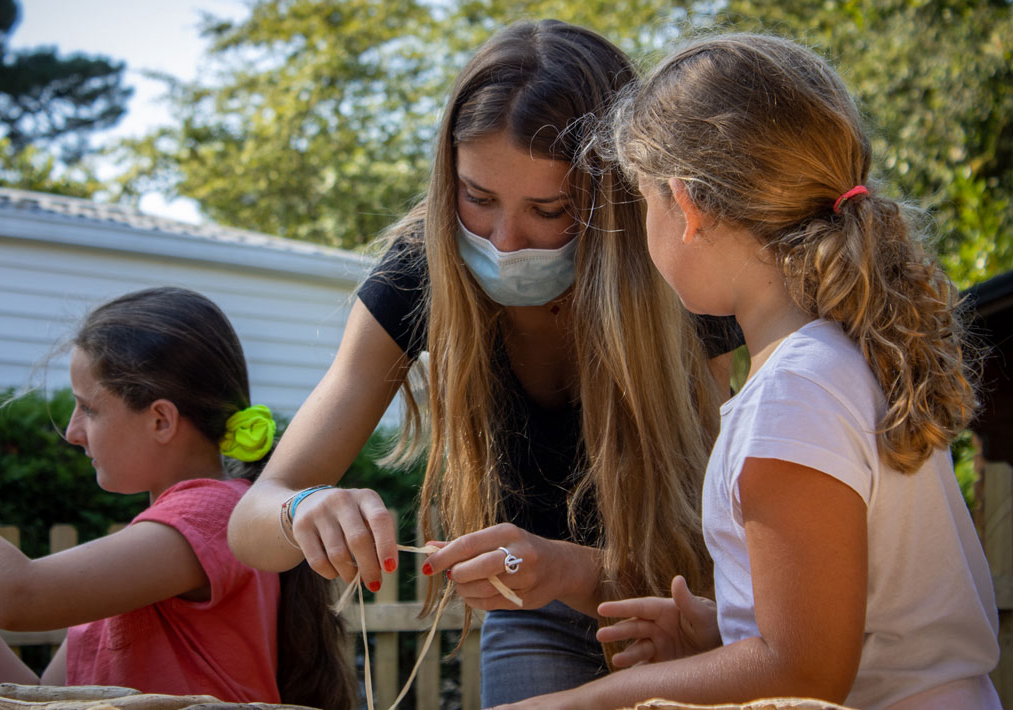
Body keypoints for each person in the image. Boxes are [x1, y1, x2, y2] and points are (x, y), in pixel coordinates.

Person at [227, 20, 740, 705]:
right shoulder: (419, 271)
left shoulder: (685, 272)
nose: (504, 241)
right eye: (478, 198)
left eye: (548, 209)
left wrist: (569, 567)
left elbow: (719, 537)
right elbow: (249, 524)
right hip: (528, 614)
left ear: (615, 195)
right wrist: (303, 509)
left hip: (680, 609)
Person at [496, 33, 1001, 710]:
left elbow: (804, 674)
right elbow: (856, 626)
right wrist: (720, 635)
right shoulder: (842, 361)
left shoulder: (794, 394)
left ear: (687, 207)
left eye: (645, 201)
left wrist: (589, 699)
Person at [0, 287, 354, 710]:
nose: (74, 432)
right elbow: (31, 700)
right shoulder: (147, 554)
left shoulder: (217, 514)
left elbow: (18, 594)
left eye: (89, 409)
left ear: (161, 420)